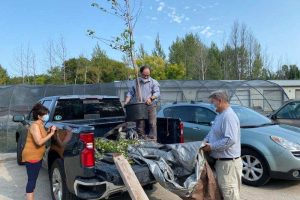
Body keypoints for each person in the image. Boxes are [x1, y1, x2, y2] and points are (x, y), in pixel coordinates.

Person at [202, 90, 242, 200]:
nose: (212, 104)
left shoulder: (228, 116)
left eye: (213, 101)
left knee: (230, 194)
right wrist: (205, 141)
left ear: (220, 101)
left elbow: (230, 139)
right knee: (224, 194)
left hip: (228, 164)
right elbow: (212, 132)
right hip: (221, 164)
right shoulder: (220, 115)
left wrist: (211, 146)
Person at [22, 103, 57, 200]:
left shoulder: (41, 124)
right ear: (39, 116)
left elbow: (42, 137)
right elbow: (39, 141)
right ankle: (29, 197)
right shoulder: (35, 126)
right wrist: (52, 133)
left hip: (37, 156)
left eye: (47, 113)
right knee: (32, 181)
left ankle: (28, 196)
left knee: (33, 179)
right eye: (45, 114)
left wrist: (49, 132)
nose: (47, 116)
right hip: (32, 157)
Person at [124, 65, 160, 140]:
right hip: (139, 106)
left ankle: (153, 139)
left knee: (152, 123)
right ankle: (141, 139)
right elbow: (130, 93)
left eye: (148, 75)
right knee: (140, 124)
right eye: (144, 75)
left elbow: (157, 93)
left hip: (151, 105)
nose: (146, 77)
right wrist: (126, 101)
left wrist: (151, 98)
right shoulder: (136, 82)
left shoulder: (154, 82)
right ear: (140, 73)